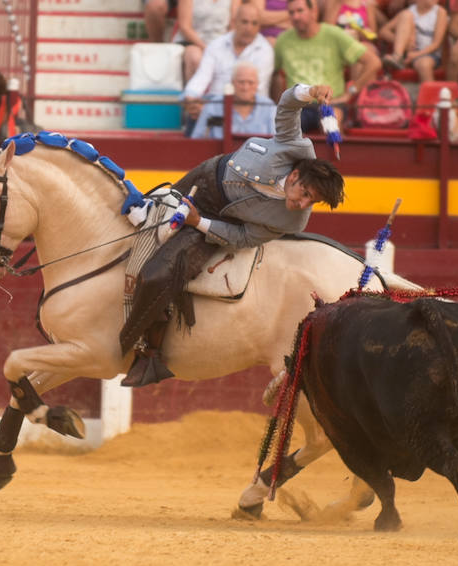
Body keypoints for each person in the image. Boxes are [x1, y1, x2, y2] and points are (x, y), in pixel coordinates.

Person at [119, 83, 344, 387]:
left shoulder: (294, 221)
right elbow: (287, 106)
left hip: (214, 219)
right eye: (304, 192)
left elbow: (242, 238)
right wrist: (310, 92)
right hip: (203, 177)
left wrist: (199, 223)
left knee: (159, 275)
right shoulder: (296, 148)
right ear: (294, 175)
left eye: (310, 201)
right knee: (137, 224)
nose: (302, 203)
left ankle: (146, 352)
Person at [273, 0, 381, 129]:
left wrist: (350, 92)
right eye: (291, 13)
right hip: (298, 106)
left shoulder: (333, 34)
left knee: (331, 127)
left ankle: (338, 149)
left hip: (330, 103)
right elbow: (275, 74)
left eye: (300, 11)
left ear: (313, 11)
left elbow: (374, 62)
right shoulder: (283, 40)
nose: (295, 16)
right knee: (284, 128)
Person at [182, 2, 274, 126]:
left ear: (259, 27)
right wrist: (190, 98)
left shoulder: (265, 50)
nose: (249, 28)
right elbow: (201, 78)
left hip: (250, 109)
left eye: (254, 23)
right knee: (195, 113)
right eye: (244, 22)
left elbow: (255, 91)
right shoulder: (216, 45)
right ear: (234, 22)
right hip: (214, 105)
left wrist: (213, 108)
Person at [189, 61, 276, 138]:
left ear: (257, 84)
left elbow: (275, 144)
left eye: (251, 82)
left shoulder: (269, 107)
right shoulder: (213, 105)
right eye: (241, 82)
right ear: (232, 82)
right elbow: (198, 139)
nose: (246, 87)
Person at [380, 0, 448, 82]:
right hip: (409, 52)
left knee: (424, 64)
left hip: (429, 53)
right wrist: (403, 41)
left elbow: (436, 43)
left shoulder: (440, 12)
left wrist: (415, 55)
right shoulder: (409, 12)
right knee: (406, 16)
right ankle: (397, 56)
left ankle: (430, 92)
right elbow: (383, 31)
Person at [173, 0, 236, 83]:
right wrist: (207, 48)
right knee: (195, 58)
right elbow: (185, 27)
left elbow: (234, 25)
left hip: (220, 42)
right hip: (192, 41)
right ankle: (192, 93)